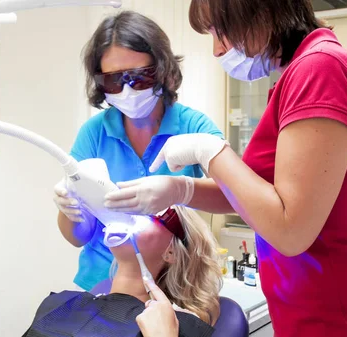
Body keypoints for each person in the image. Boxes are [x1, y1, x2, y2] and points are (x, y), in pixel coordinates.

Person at [103, 1, 347, 336]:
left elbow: (290, 230)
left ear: (260, 9)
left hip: (346, 321)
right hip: (311, 316)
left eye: (219, 30)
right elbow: (258, 198)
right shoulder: (298, 74)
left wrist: (211, 152)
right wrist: (183, 189)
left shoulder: (320, 70)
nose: (217, 48)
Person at [54, 10, 224, 292]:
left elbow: (237, 199)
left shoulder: (194, 126)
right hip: (106, 284)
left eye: (139, 77)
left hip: (179, 282)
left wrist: (180, 189)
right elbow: (77, 238)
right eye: (113, 80)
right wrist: (70, 207)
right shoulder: (94, 133)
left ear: (163, 70)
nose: (127, 90)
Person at [23, 206, 222, 337]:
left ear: (171, 251)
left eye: (147, 211)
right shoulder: (62, 302)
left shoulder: (176, 327)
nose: (126, 215)